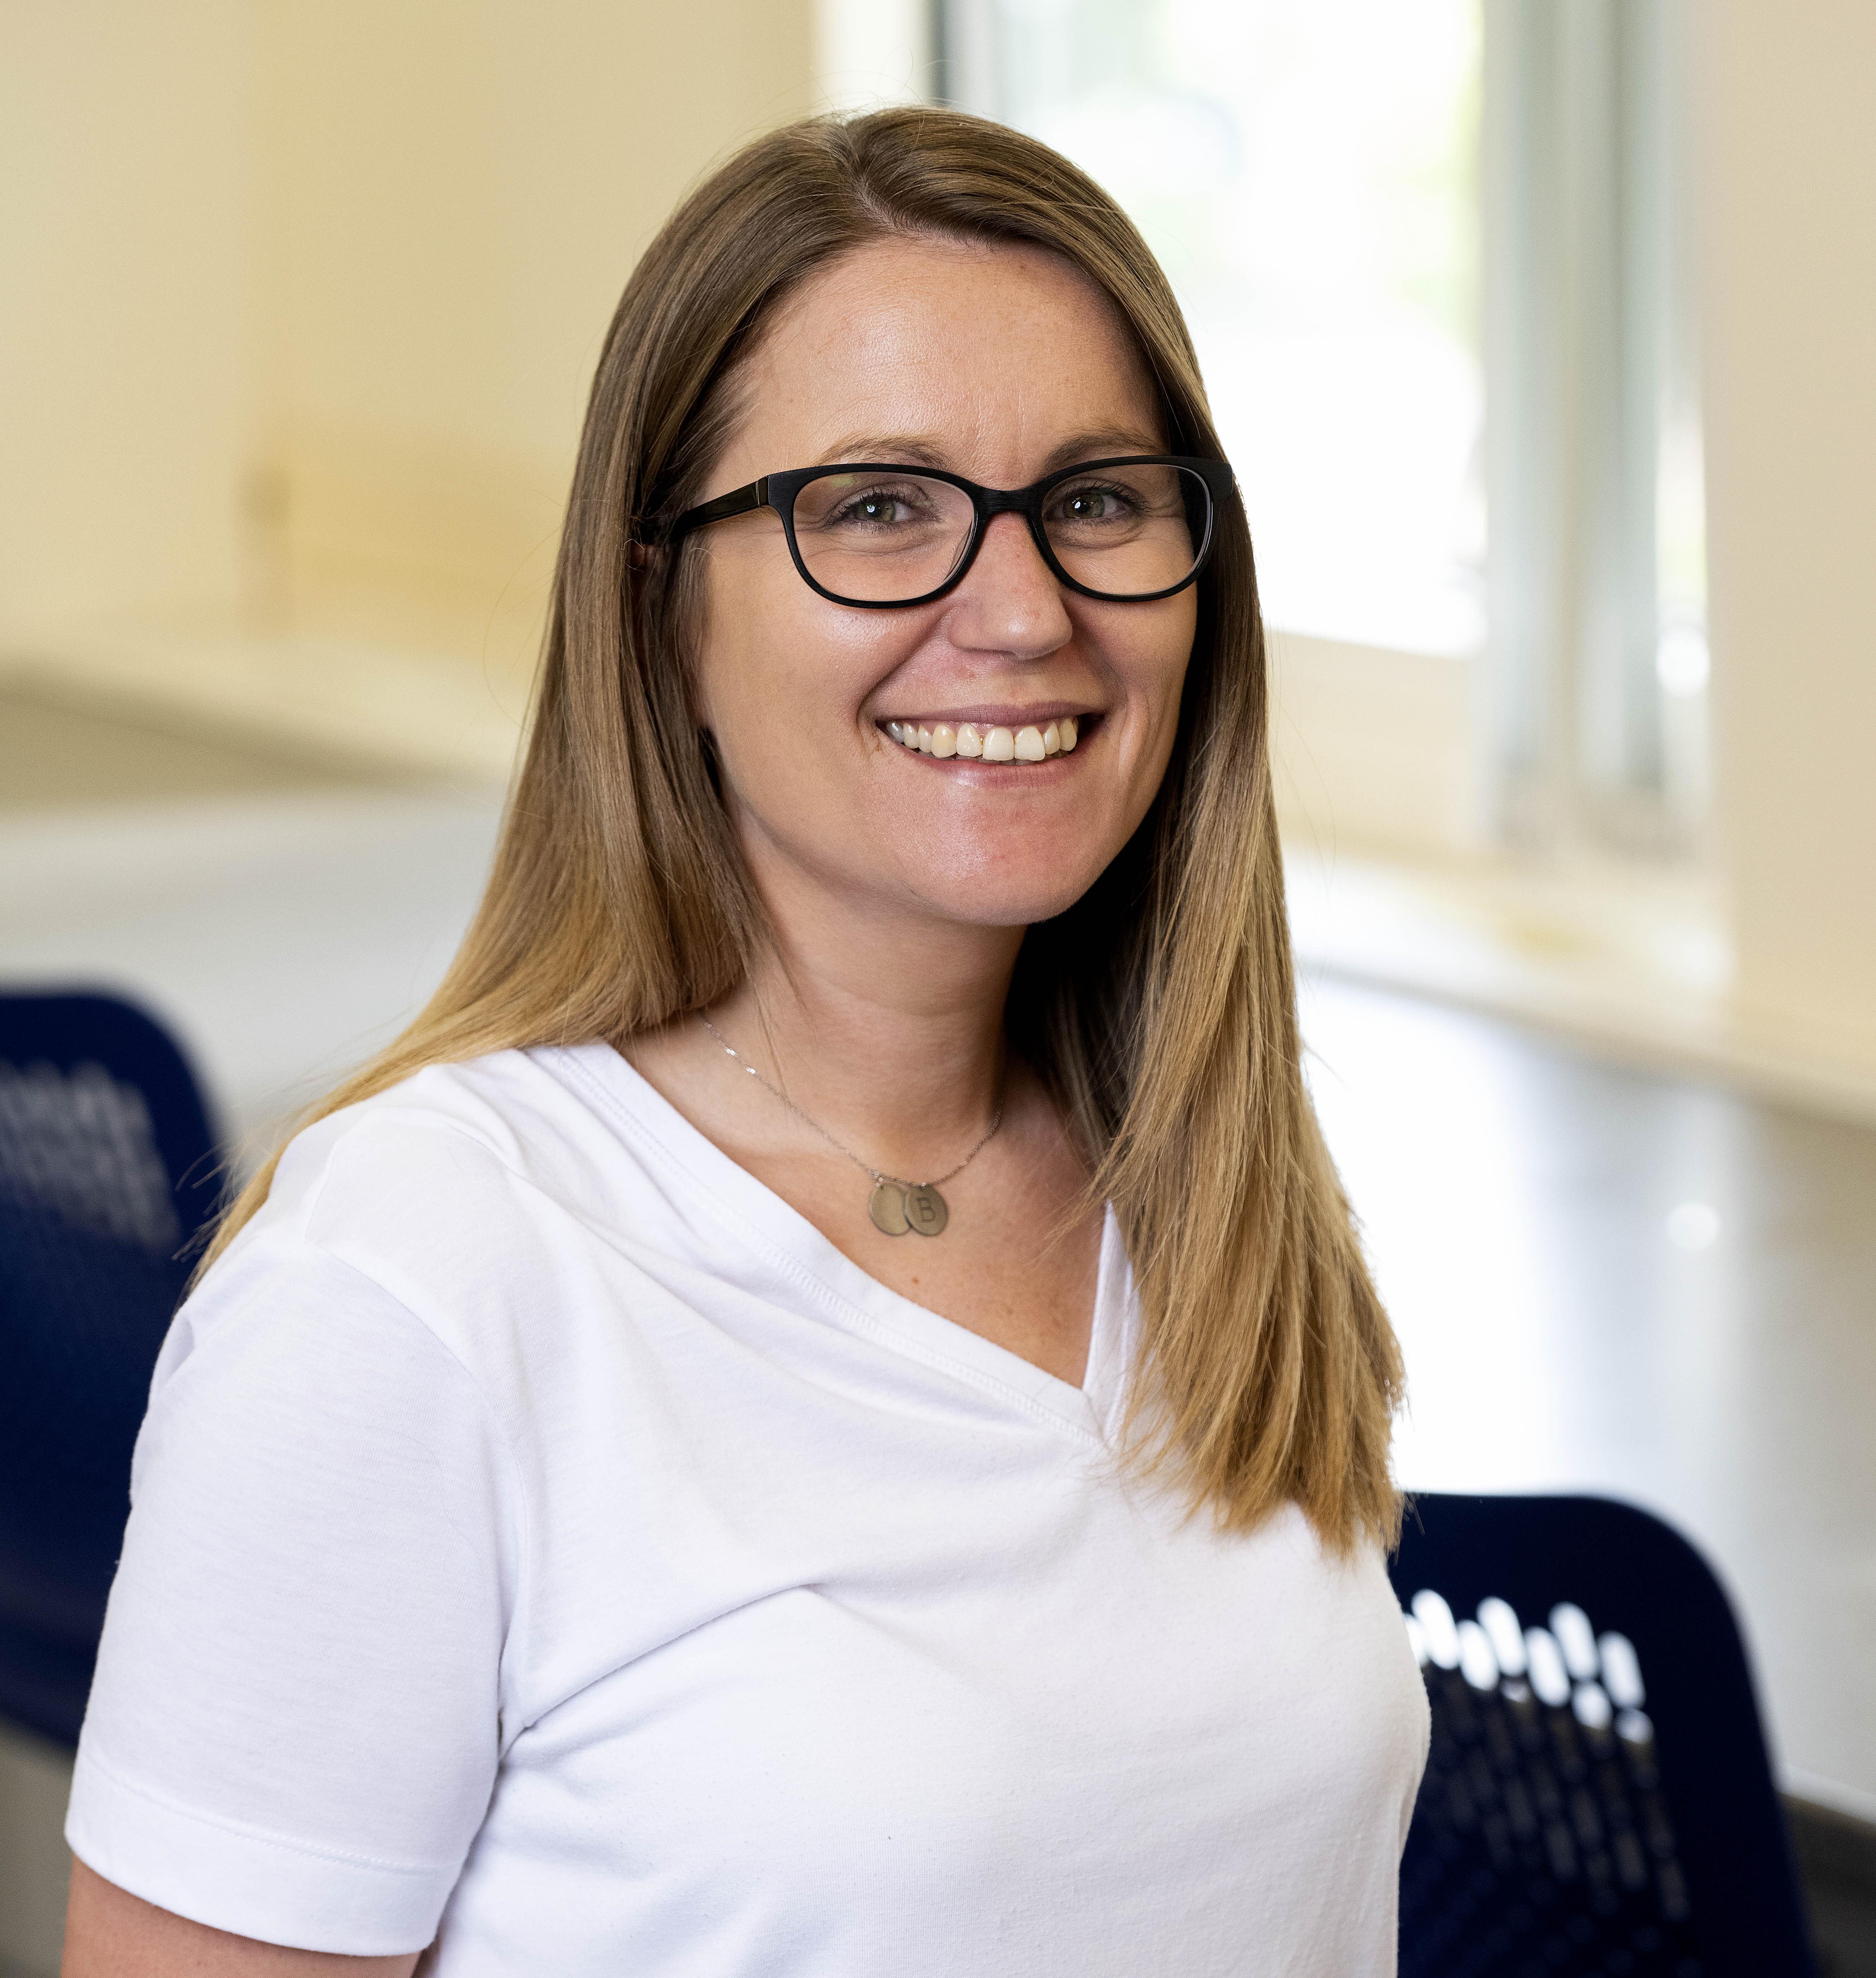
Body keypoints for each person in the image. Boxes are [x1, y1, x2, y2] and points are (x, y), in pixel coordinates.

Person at [60, 108, 1426, 1977]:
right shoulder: (420, 1285)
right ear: (662, 611)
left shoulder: (1200, 1183)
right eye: (876, 510)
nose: (1023, 612)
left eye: (1098, 499)